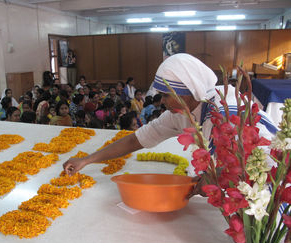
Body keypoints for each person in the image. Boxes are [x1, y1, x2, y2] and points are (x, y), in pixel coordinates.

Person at [63, 53, 277, 178]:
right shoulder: (181, 112)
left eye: (166, 95)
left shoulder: (225, 111)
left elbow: (255, 164)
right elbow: (135, 140)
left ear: (188, 90)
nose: (162, 101)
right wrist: (87, 160)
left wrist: (211, 180)